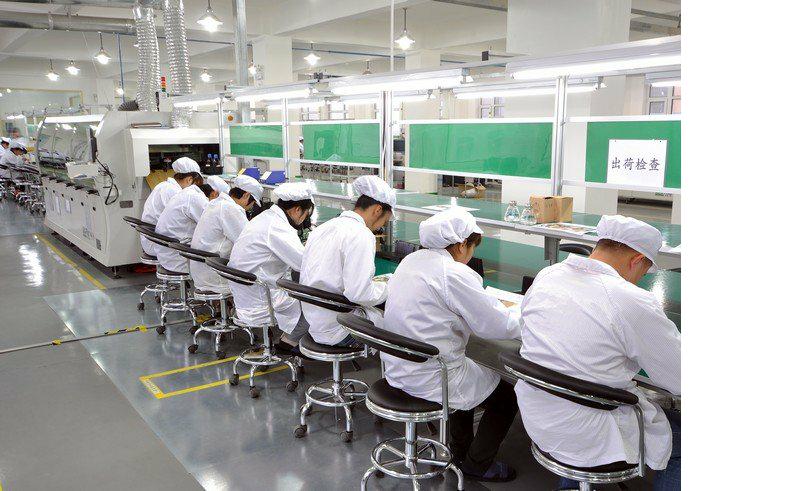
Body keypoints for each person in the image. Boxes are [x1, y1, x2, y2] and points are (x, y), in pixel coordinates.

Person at [515, 215, 681, 491]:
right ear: (637, 260)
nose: (640, 280)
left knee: (580, 390)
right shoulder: (630, 300)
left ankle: (572, 485)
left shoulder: (548, 275)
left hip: (540, 417)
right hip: (589, 430)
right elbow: (680, 377)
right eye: (644, 273)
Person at [382, 208, 521, 482]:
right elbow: (496, 325)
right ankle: (477, 464)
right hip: (432, 375)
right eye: (472, 247)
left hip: (399, 368)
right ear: (461, 244)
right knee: (507, 396)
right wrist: (529, 319)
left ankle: (460, 450)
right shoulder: (452, 273)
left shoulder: (411, 261)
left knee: (470, 375)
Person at [300, 175, 395, 347]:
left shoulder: (325, 227)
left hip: (315, 320)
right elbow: (359, 294)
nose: (380, 227)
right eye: (384, 221)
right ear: (378, 210)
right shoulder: (361, 234)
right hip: (339, 327)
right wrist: (390, 286)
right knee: (398, 327)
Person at [228, 181, 315, 351]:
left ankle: (288, 338)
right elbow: (303, 263)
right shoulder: (278, 227)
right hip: (260, 297)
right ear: (297, 209)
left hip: (246, 292)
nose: (304, 219)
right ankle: (288, 343)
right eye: (306, 214)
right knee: (317, 304)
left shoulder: (266, 217)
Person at [189, 175, 256, 294]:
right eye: (252, 204)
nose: (249, 208)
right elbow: (247, 242)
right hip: (214, 273)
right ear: (246, 195)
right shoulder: (230, 208)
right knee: (261, 277)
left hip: (203, 268)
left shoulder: (217, 203)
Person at [140, 157, 203, 257]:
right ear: (189, 179)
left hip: (152, 239)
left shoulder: (163, 185)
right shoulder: (176, 192)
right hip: (160, 243)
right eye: (195, 185)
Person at [153, 181, 212, 274]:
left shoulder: (184, 194)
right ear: (214, 193)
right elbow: (209, 224)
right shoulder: (195, 199)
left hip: (165, 253)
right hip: (178, 257)